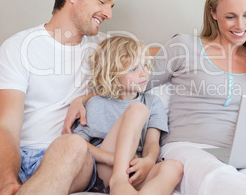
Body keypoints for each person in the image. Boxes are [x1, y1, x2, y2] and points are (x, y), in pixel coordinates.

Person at [63, 0, 246, 194]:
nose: (241, 25)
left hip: (238, 153)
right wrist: (85, 98)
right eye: (230, 16)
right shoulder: (184, 46)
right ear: (213, 13)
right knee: (215, 174)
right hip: (188, 147)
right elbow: (134, 83)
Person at [0, 0, 120, 195]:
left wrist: (86, 97)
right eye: (102, 2)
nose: (109, 14)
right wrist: (6, 182)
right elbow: (5, 127)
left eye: (111, 6)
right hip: (13, 153)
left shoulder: (104, 49)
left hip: (67, 155)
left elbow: (149, 64)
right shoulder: (19, 47)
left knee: (73, 145)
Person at [72, 35, 183, 194]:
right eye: (133, 69)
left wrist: (148, 161)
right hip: (107, 170)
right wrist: (112, 158)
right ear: (112, 74)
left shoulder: (153, 102)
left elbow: (152, 142)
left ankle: (125, 187)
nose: (144, 73)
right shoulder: (96, 103)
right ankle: (118, 181)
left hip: (135, 169)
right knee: (137, 109)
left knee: (175, 167)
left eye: (145, 65)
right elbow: (79, 143)